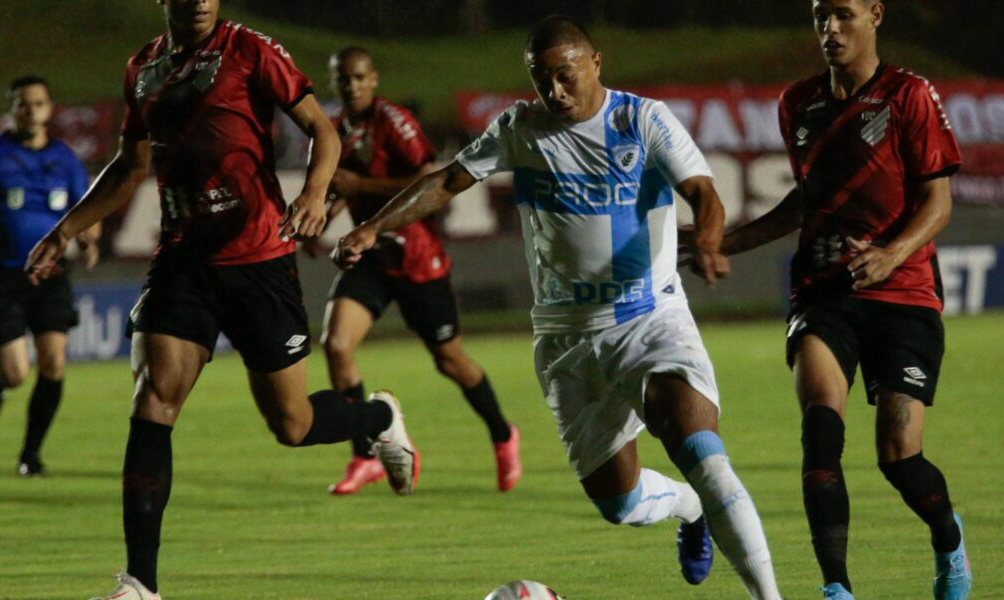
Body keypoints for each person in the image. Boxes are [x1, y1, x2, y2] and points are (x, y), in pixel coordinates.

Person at [333, 16, 782, 599]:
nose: (555, 92)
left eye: (565, 76)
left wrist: (713, 238)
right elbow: (446, 181)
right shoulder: (521, 127)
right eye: (542, 80)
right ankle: (689, 507)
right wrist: (373, 227)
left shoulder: (642, 119)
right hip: (566, 339)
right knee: (619, 504)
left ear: (595, 63)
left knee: (704, 453)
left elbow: (703, 191)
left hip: (649, 320)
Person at [24, 2, 418, 598]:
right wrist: (64, 232)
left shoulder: (250, 50)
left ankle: (379, 418)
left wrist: (313, 193)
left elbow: (323, 129)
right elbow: (130, 168)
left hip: (258, 257)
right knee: (153, 398)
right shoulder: (144, 67)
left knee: (292, 423)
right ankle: (141, 584)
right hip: (183, 261)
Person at [716, 1, 973, 598]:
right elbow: (808, 201)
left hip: (903, 294)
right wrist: (726, 242)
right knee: (821, 434)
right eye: (819, 16)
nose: (830, 29)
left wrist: (889, 253)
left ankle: (948, 539)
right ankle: (837, 588)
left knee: (898, 458)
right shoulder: (797, 104)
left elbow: (938, 205)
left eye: (843, 15)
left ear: (875, 15)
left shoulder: (909, 96)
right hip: (822, 292)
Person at [321, 47, 521, 495]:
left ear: (373, 79)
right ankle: (364, 455)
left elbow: (427, 178)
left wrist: (359, 187)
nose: (351, 86)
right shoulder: (339, 129)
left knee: (451, 361)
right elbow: (343, 185)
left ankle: (503, 434)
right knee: (336, 345)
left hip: (416, 258)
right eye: (342, 79)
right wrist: (326, 213)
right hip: (372, 258)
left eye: (358, 77)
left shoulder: (394, 122)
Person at [0, 75, 99, 475]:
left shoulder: (65, 159)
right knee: (17, 373)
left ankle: (30, 455)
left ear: (50, 110)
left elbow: (87, 209)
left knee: (54, 362)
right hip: (1, 275)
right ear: (11, 109)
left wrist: (89, 239)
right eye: (22, 103)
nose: (30, 110)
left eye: (38, 103)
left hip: (50, 273)